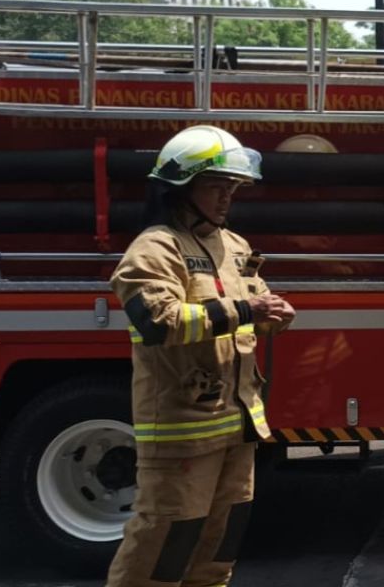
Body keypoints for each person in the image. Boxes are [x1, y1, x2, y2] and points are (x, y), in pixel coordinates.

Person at [107, 125, 295, 587]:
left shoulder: (232, 246)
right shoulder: (153, 249)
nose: (226, 198)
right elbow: (158, 321)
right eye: (215, 187)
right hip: (181, 431)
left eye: (232, 188)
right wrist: (248, 309)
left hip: (236, 427)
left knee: (218, 548)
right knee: (163, 547)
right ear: (179, 188)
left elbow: (250, 305)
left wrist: (271, 314)